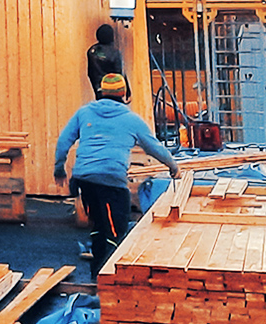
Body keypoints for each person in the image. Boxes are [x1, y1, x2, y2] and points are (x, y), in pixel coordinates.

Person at [54, 72, 181, 271]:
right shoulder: (131, 120)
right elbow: (154, 147)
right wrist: (173, 167)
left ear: (101, 92)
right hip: (111, 180)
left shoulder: (84, 112)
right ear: (124, 93)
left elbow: (64, 141)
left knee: (99, 224)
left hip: (84, 179)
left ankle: (97, 269)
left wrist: (59, 168)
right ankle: (105, 274)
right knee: (117, 228)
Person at [85, 22, 124, 98]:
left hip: (98, 88)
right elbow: (119, 73)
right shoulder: (114, 51)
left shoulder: (92, 51)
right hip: (114, 89)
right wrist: (127, 90)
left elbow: (90, 72)